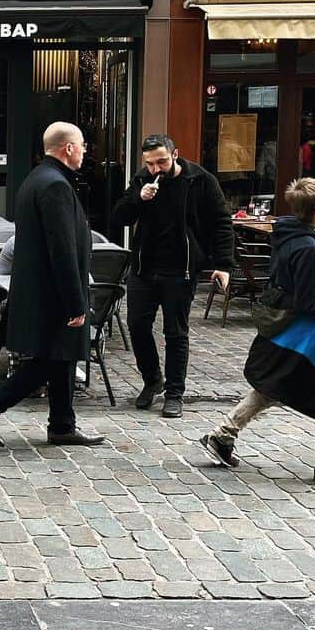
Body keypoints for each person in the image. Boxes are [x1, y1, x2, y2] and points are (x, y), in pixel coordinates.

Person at [202, 177, 315, 484]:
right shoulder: (309, 248)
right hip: (305, 332)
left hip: (283, 324)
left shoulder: (286, 235)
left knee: (273, 386)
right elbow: (308, 303)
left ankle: (222, 436)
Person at [0, 122, 104, 449]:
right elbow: (63, 248)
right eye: (82, 145)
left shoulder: (37, 179)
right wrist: (75, 301)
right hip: (54, 292)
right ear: (69, 147)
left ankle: (62, 425)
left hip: (42, 289)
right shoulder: (55, 184)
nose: (85, 151)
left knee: (62, 357)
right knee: (49, 359)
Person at [112, 133, 234, 419]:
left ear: (175, 154)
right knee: (137, 326)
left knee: (175, 332)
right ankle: (152, 380)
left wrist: (223, 264)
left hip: (181, 269)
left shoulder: (201, 181)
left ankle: (175, 393)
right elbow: (119, 217)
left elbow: (221, 223)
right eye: (150, 163)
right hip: (144, 268)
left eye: (161, 161)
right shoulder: (143, 180)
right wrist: (138, 200)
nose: (156, 169)